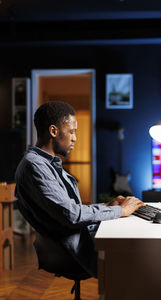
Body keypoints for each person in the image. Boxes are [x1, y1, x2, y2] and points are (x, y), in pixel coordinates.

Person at [15, 101, 145, 278]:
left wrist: (108, 205)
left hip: (77, 238)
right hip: (71, 250)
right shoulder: (35, 166)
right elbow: (72, 215)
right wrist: (119, 210)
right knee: (142, 256)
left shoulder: (45, 163)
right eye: (72, 131)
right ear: (53, 131)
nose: (75, 138)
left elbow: (69, 209)